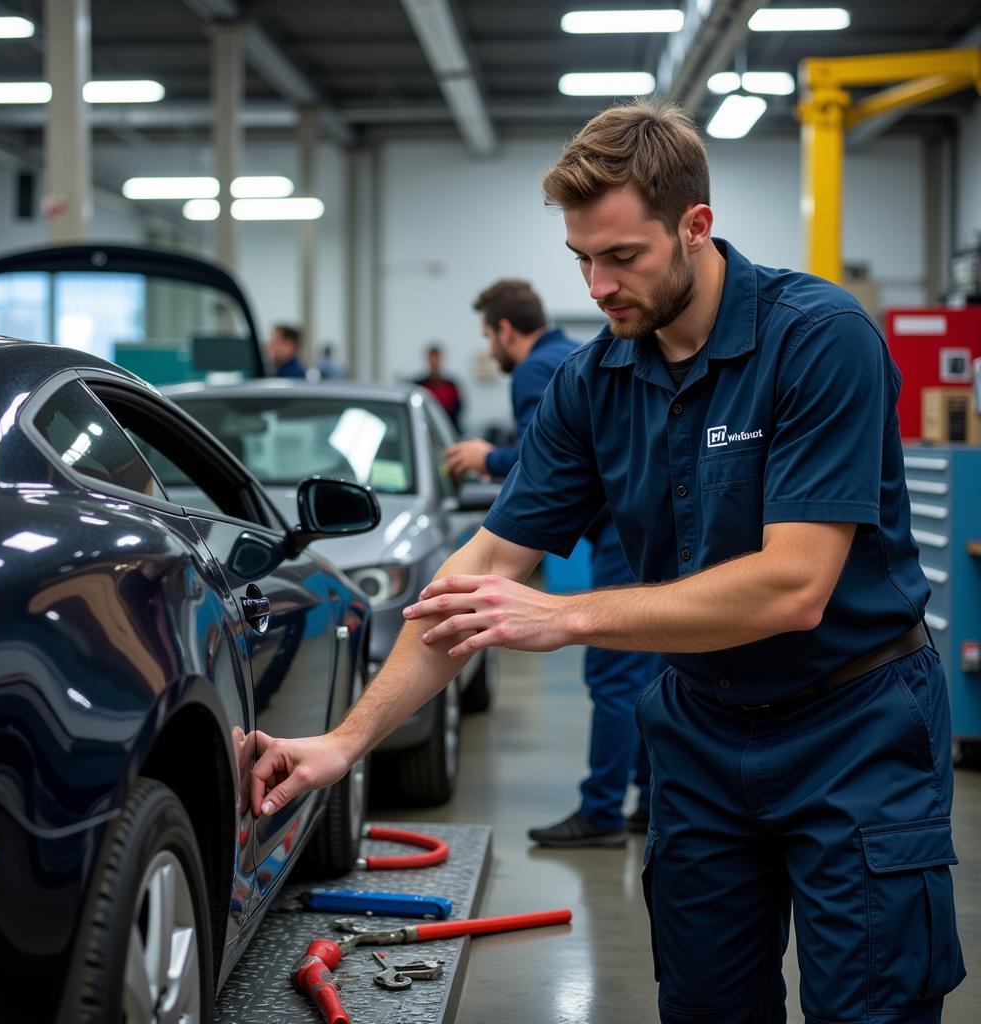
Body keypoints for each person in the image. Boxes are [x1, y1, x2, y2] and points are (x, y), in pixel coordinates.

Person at [248, 102, 965, 1021]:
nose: (597, 285)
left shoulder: (818, 339)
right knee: (706, 1003)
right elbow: (474, 579)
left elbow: (794, 586)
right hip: (702, 733)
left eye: (622, 257)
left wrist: (568, 615)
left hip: (856, 726)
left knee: (869, 1005)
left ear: (695, 227)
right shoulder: (596, 383)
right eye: (582, 259)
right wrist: (344, 743)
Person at [447, 277, 665, 846]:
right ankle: (649, 799)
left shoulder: (534, 370)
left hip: (619, 529)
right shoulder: (572, 352)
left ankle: (600, 814)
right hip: (638, 521)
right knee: (643, 670)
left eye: (487, 336)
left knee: (613, 675)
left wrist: (485, 456)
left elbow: (544, 457)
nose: (490, 349)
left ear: (504, 329)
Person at [413, 344, 463, 432]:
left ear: (441, 360)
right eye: (432, 360)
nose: (434, 363)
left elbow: (459, 409)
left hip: (448, 429)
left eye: (437, 360)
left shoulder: (451, 386)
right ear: (428, 360)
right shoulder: (419, 386)